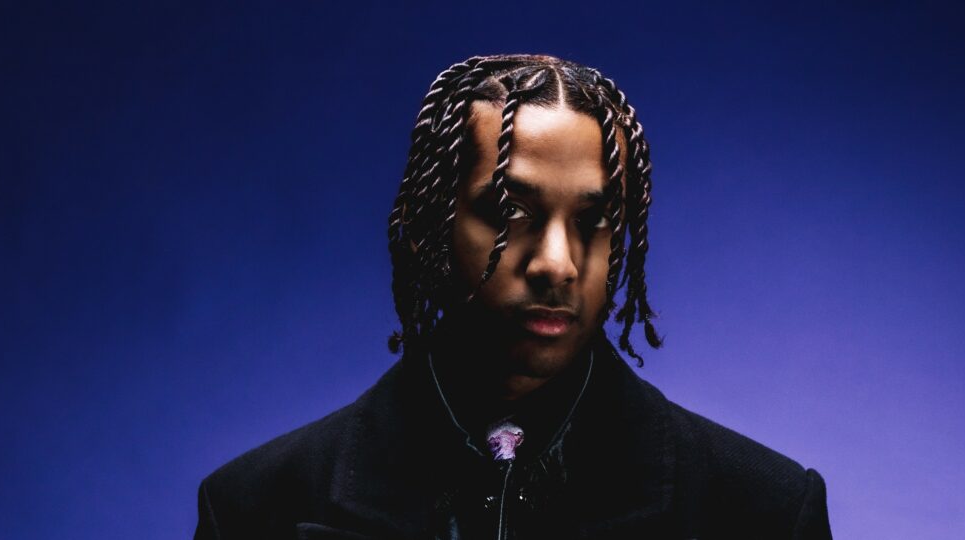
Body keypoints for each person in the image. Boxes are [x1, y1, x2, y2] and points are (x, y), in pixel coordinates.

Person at [193, 54, 833, 539]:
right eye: (508, 212)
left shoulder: (766, 511)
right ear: (424, 231)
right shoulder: (254, 509)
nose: (557, 264)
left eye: (593, 221)